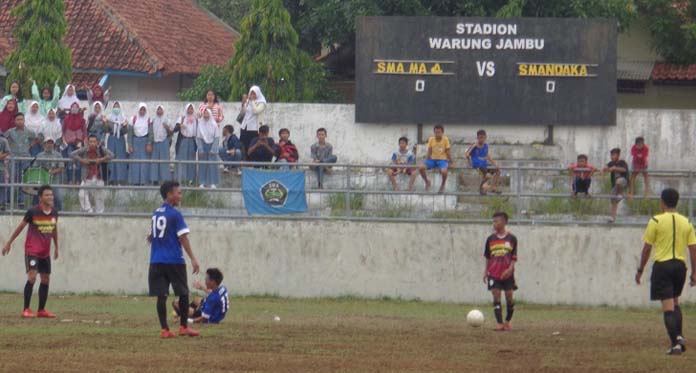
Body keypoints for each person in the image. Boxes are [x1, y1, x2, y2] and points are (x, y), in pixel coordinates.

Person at [635, 188, 696, 355]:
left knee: (668, 307)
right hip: (680, 267)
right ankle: (680, 338)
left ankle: (676, 341)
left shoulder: (656, 221)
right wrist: (694, 272)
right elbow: (693, 249)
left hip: (663, 265)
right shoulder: (687, 222)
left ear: (662, 202)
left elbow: (647, 248)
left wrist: (640, 269)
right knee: (675, 302)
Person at [148, 180, 201, 338]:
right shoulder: (175, 214)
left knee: (161, 295)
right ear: (169, 194)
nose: (180, 196)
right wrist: (193, 258)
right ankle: (183, 327)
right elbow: (183, 238)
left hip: (156, 260)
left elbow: (150, 236)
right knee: (183, 293)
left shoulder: (156, 213)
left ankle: (165, 329)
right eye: (178, 193)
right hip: (173, 260)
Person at [1, 185, 59, 319]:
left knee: (45, 279)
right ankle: (26, 309)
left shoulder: (55, 212)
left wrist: (56, 247)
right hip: (32, 250)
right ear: (40, 198)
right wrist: (9, 242)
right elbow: (20, 227)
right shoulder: (32, 212)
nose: (50, 197)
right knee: (32, 276)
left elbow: (54, 229)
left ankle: (41, 310)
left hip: (45, 253)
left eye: (51, 194)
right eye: (47, 195)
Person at [483, 211, 518, 331]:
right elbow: (488, 257)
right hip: (494, 273)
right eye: (493, 221)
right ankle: (499, 323)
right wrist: (485, 272)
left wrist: (510, 269)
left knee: (509, 296)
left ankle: (507, 321)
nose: (494, 224)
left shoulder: (512, 238)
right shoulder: (490, 239)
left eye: (496, 221)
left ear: (504, 222)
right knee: (496, 295)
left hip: (507, 274)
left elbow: (514, 257)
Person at [71, 135, 114, 214]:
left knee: (99, 196)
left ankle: (99, 212)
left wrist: (101, 159)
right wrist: (81, 160)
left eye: (94, 142)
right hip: (87, 176)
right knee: (82, 194)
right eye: (91, 142)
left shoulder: (101, 149)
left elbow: (112, 155)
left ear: (97, 142)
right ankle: (88, 210)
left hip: (98, 176)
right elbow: (72, 154)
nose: (92, 143)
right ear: (88, 142)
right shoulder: (84, 149)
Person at [6, 113, 38, 207]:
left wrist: (30, 146)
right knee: (12, 179)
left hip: (25, 159)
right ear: (15, 121)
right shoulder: (10, 132)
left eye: (21, 119)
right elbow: (3, 139)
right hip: (13, 159)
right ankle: (8, 201)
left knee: (23, 180)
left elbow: (37, 138)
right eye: (18, 119)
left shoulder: (29, 132)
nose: (20, 121)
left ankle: (21, 201)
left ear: (24, 120)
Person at [417, 125, 452, 194]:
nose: (437, 134)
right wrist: (426, 161)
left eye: (439, 132)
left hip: (442, 160)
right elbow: (429, 151)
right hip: (432, 159)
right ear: (434, 132)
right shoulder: (431, 139)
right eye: (436, 132)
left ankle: (442, 185)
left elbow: (448, 152)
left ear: (442, 132)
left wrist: (452, 162)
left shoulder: (445, 139)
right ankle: (427, 181)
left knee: (444, 172)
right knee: (421, 168)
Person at [466, 129, 501, 195]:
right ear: (477, 138)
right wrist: (469, 162)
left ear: (485, 137)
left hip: (484, 164)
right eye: (480, 138)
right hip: (478, 165)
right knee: (487, 176)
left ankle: (492, 187)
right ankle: (481, 187)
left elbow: (488, 156)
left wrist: (495, 164)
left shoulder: (485, 146)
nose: (481, 139)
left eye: (483, 138)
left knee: (498, 170)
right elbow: (467, 154)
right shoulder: (474, 146)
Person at [62, 102, 87, 184]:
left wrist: (83, 141)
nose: (74, 109)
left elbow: (85, 132)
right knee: (70, 161)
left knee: (78, 162)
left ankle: (78, 180)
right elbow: (63, 131)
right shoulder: (66, 119)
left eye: (76, 107)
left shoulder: (82, 120)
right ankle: (69, 180)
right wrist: (64, 140)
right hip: (69, 144)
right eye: (73, 107)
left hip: (79, 144)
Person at [36, 138, 65, 210]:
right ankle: (37, 212)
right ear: (44, 144)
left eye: (51, 143)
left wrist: (52, 172)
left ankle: (59, 214)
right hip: (42, 181)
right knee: (37, 198)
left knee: (58, 198)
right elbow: (35, 167)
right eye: (48, 143)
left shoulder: (58, 155)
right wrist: (44, 172)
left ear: (54, 144)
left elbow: (61, 167)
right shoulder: (39, 155)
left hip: (54, 181)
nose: (50, 145)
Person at [104, 101, 128, 185]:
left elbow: (125, 132)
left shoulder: (124, 118)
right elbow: (106, 130)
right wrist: (105, 123)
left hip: (120, 140)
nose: (116, 108)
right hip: (111, 139)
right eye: (115, 106)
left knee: (120, 159)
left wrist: (125, 126)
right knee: (111, 158)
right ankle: (111, 179)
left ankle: (120, 179)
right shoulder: (108, 118)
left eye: (118, 107)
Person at [128, 103, 152, 185]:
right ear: (138, 110)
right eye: (141, 109)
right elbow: (130, 133)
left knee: (144, 163)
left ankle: (143, 182)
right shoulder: (133, 119)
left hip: (145, 142)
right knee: (135, 162)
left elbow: (151, 133)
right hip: (135, 142)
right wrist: (130, 145)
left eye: (144, 109)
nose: (142, 111)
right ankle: (135, 181)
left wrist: (149, 143)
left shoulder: (148, 119)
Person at [239, 86, 267, 157]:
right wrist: (243, 104)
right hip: (244, 127)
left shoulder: (262, 103)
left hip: (254, 128)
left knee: (252, 146)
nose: (252, 95)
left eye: (254, 93)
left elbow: (256, 111)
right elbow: (242, 114)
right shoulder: (248, 101)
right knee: (243, 146)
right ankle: (244, 162)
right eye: (251, 93)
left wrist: (252, 101)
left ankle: (252, 163)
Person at [603, 148, 629, 223]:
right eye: (611, 155)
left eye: (614, 155)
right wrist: (604, 169)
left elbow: (624, 170)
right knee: (613, 199)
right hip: (615, 185)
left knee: (619, 181)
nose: (612, 157)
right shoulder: (611, 163)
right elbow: (606, 167)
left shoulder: (622, 162)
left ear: (618, 155)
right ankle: (612, 217)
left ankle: (621, 194)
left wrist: (615, 168)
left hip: (623, 181)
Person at [196, 109, 220, 188]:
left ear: (210, 114)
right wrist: (200, 149)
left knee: (212, 164)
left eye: (207, 113)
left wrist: (213, 149)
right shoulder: (200, 124)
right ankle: (202, 182)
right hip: (203, 146)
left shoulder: (214, 125)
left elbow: (217, 137)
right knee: (202, 164)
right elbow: (199, 138)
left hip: (212, 146)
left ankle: (213, 183)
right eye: (204, 113)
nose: (206, 115)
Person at [175, 104, 198, 184]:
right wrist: (180, 126)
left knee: (191, 160)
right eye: (189, 108)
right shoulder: (182, 118)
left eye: (192, 109)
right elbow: (175, 129)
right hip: (183, 141)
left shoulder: (196, 120)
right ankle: (180, 179)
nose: (190, 110)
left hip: (192, 141)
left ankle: (190, 180)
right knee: (181, 159)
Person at [150, 105, 173, 184]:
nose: (159, 111)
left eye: (161, 109)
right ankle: (155, 180)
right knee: (155, 162)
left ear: (163, 110)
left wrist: (167, 128)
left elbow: (171, 133)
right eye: (158, 109)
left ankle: (165, 180)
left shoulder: (167, 120)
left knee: (164, 162)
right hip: (155, 143)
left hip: (164, 142)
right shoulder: (153, 120)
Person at [0, 135, 9, 209]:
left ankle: (2, 204)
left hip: (1, 167)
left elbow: (7, 152)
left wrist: (1, 156)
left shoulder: (3, 140)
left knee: (2, 186)